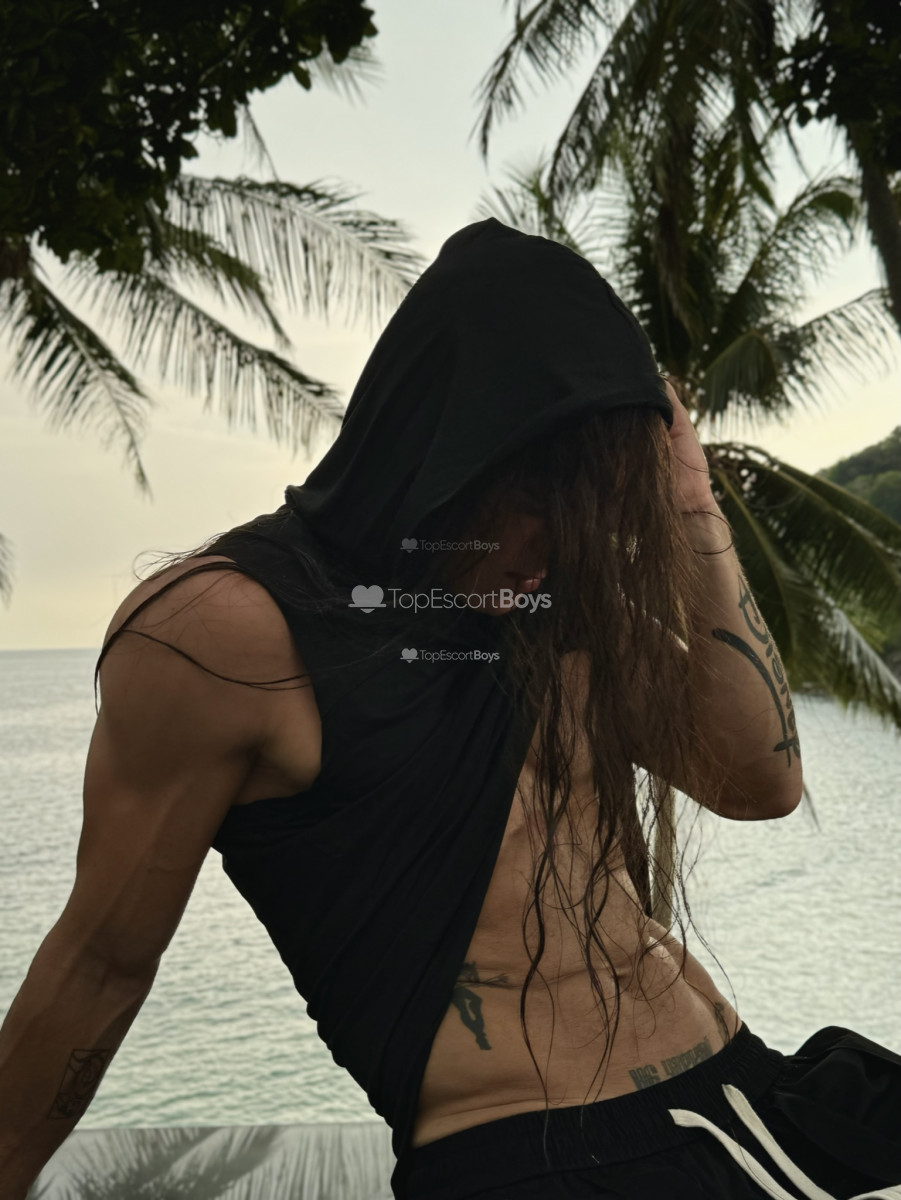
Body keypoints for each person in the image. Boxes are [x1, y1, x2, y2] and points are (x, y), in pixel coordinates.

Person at [1, 218, 899, 1200]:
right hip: (552, 1163)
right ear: (444, 450)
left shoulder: (553, 607)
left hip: (753, 1098)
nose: (554, 549)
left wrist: (690, 506)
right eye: (539, 505)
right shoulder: (229, 632)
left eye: (590, 512)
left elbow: (758, 781)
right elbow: (99, 965)